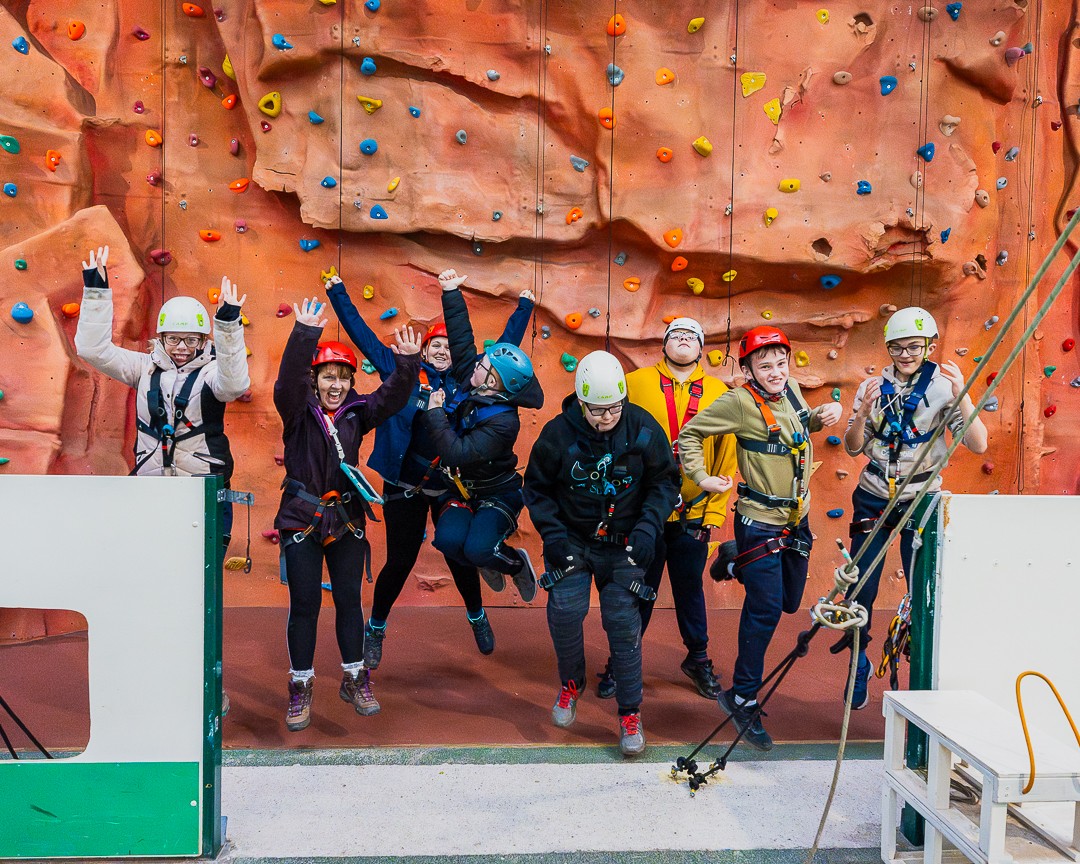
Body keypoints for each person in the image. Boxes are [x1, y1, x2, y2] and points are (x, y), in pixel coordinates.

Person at [75, 245, 251, 717]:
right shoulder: (142, 368)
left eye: (190, 339)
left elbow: (234, 383)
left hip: (203, 498)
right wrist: (96, 290)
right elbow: (92, 349)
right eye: (173, 338)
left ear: (201, 342)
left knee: (201, 597)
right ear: (161, 338)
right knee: (154, 593)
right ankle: (157, 683)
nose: (180, 347)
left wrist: (230, 326)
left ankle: (206, 687)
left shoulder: (213, 374)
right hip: (152, 497)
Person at [324, 273, 535, 667]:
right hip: (403, 484)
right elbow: (363, 336)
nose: (441, 350)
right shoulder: (400, 372)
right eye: (433, 344)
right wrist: (338, 292)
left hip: (450, 486)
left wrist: (524, 308)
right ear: (422, 350)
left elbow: (506, 352)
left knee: (458, 554)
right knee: (400, 561)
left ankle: (477, 616)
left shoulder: (466, 382)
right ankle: (377, 628)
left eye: (446, 346)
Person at [678, 326, 842, 751]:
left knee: (789, 602)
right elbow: (690, 434)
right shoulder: (738, 403)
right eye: (765, 366)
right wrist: (701, 476)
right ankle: (742, 694)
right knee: (766, 608)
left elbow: (791, 431)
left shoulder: (790, 392)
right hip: (759, 521)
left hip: (796, 519)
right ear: (748, 368)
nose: (775, 372)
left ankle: (733, 560)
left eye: (780, 364)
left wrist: (817, 417)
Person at [273, 297, 420, 732]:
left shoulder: (360, 412)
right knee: (304, 604)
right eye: (327, 377)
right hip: (302, 518)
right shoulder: (298, 413)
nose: (335, 385)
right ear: (314, 380)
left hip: (347, 519)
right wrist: (304, 335)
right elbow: (285, 384)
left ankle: (355, 677)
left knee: (350, 601)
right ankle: (300, 686)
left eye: (342, 378)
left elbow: (391, 397)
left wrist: (408, 364)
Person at [524, 351, 681, 756]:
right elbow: (537, 489)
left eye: (613, 409)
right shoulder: (558, 434)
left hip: (627, 543)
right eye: (596, 410)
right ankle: (571, 683)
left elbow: (665, 481)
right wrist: (553, 536)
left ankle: (630, 712)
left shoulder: (644, 428)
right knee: (564, 611)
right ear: (581, 401)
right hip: (572, 541)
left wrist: (649, 529)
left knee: (623, 623)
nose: (606, 417)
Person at [839, 306, 987, 708]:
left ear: (929, 346)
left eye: (914, 347)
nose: (906, 355)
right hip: (873, 494)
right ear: (888, 348)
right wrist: (863, 414)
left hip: (920, 498)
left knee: (922, 592)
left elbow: (977, 444)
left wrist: (962, 395)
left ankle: (922, 668)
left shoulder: (943, 386)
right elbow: (854, 447)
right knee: (860, 589)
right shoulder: (872, 387)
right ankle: (859, 663)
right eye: (898, 348)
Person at [592, 318, 737, 701]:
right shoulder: (635, 384)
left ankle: (699, 659)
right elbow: (612, 438)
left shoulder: (721, 392)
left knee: (691, 589)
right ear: (664, 345)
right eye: (676, 335)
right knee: (637, 589)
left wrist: (713, 515)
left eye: (692, 336)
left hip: (693, 511)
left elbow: (726, 458)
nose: (684, 340)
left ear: (702, 347)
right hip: (643, 513)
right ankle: (621, 661)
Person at [420, 270, 544, 653]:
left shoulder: (503, 421)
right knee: (448, 541)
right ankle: (486, 555)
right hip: (462, 492)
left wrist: (436, 412)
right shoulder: (473, 376)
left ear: (493, 383)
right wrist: (451, 291)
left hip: (497, 494)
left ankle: (513, 564)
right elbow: (461, 338)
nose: (475, 363)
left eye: (483, 367)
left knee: (477, 550)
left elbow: (456, 452)